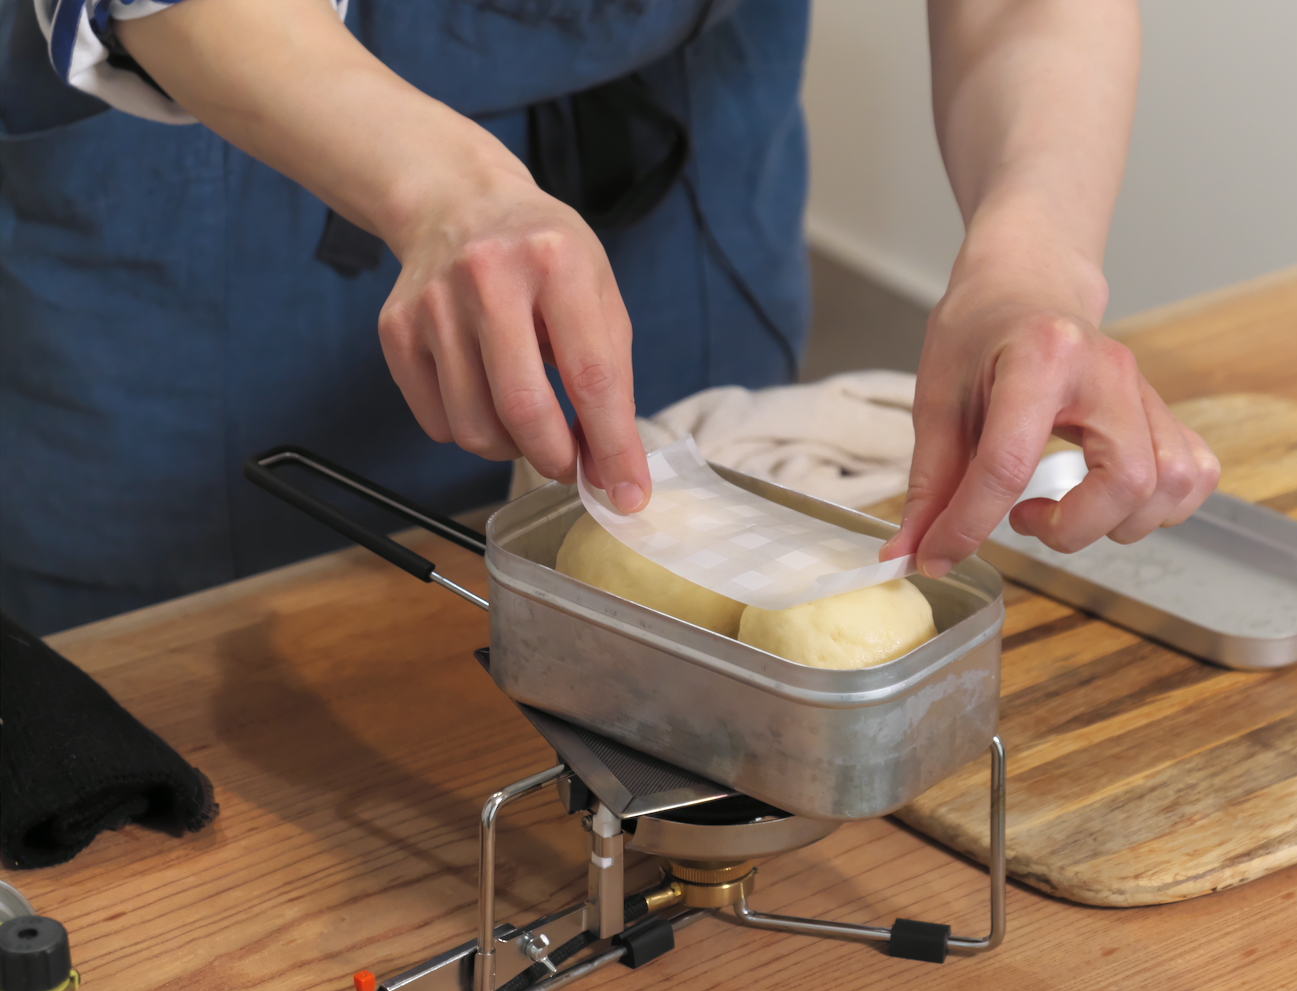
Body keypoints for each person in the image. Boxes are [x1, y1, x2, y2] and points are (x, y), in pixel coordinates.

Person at [1, 0, 1219, 637]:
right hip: (201, 194)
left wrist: (1032, 261)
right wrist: (443, 190)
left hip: (673, 170)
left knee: (700, 644)